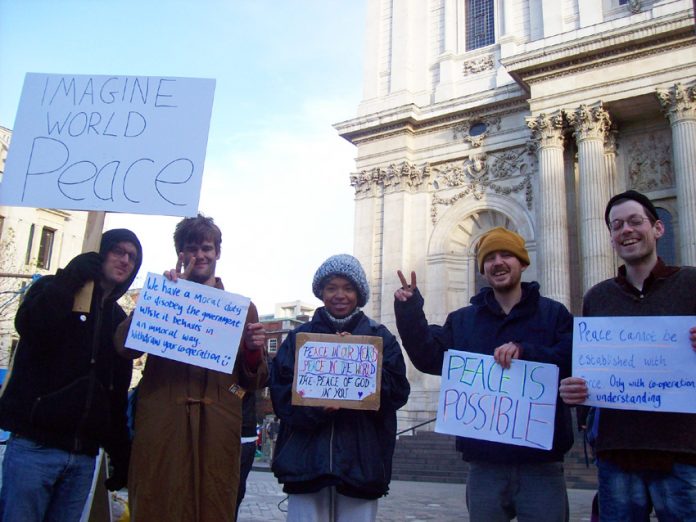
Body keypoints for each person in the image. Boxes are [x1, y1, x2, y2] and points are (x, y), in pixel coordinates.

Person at [394, 227, 574, 522]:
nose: (498, 262)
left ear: (523, 262)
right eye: (489, 257)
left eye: (506, 255)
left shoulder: (554, 314)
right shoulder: (463, 320)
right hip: (484, 464)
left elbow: (570, 360)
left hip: (542, 464)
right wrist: (409, 310)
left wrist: (526, 352)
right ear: (483, 269)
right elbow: (428, 357)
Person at [120, 214, 268, 522]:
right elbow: (123, 347)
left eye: (206, 248)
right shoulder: (162, 294)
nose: (200, 255)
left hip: (217, 427)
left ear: (218, 253)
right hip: (164, 423)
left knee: (213, 505)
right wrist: (156, 302)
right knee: (157, 502)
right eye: (191, 248)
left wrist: (253, 352)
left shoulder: (241, 308)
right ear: (180, 254)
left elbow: (250, 381)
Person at [560, 190, 696, 521]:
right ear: (610, 237)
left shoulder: (691, 283)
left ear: (658, 228)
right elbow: (591, 373)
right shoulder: (598, 297)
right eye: (617, 225)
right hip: (618, 452)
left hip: (682, 450)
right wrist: (575, 391)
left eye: (635, 221)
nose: (626, 230)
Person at [0, 228, 143, 521]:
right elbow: (29, 325)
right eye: (119, 251)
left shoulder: (118, 321)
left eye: (132, 257)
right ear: (100, 252)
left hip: (82, 459)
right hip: (35, 448)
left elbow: (115, 393)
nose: (125, 260)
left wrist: (120, 452)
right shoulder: (55, 288)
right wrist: (69, 280)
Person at [270, 254, 410, 522]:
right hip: (306, 463)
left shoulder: (381, 337)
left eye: (348, 288)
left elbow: (399, 391)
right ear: (321, 292)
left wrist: (364, 363)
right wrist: (318, 410)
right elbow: (280, 395)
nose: (340, 295)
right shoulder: (298, 339)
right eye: (332, 287)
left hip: (361, 464)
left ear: (359, 293)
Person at [235, 390, 258, 519]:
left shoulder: (236, 387)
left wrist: (228, 387)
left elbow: (242, 392)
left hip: (244, 434)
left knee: (237, 490)